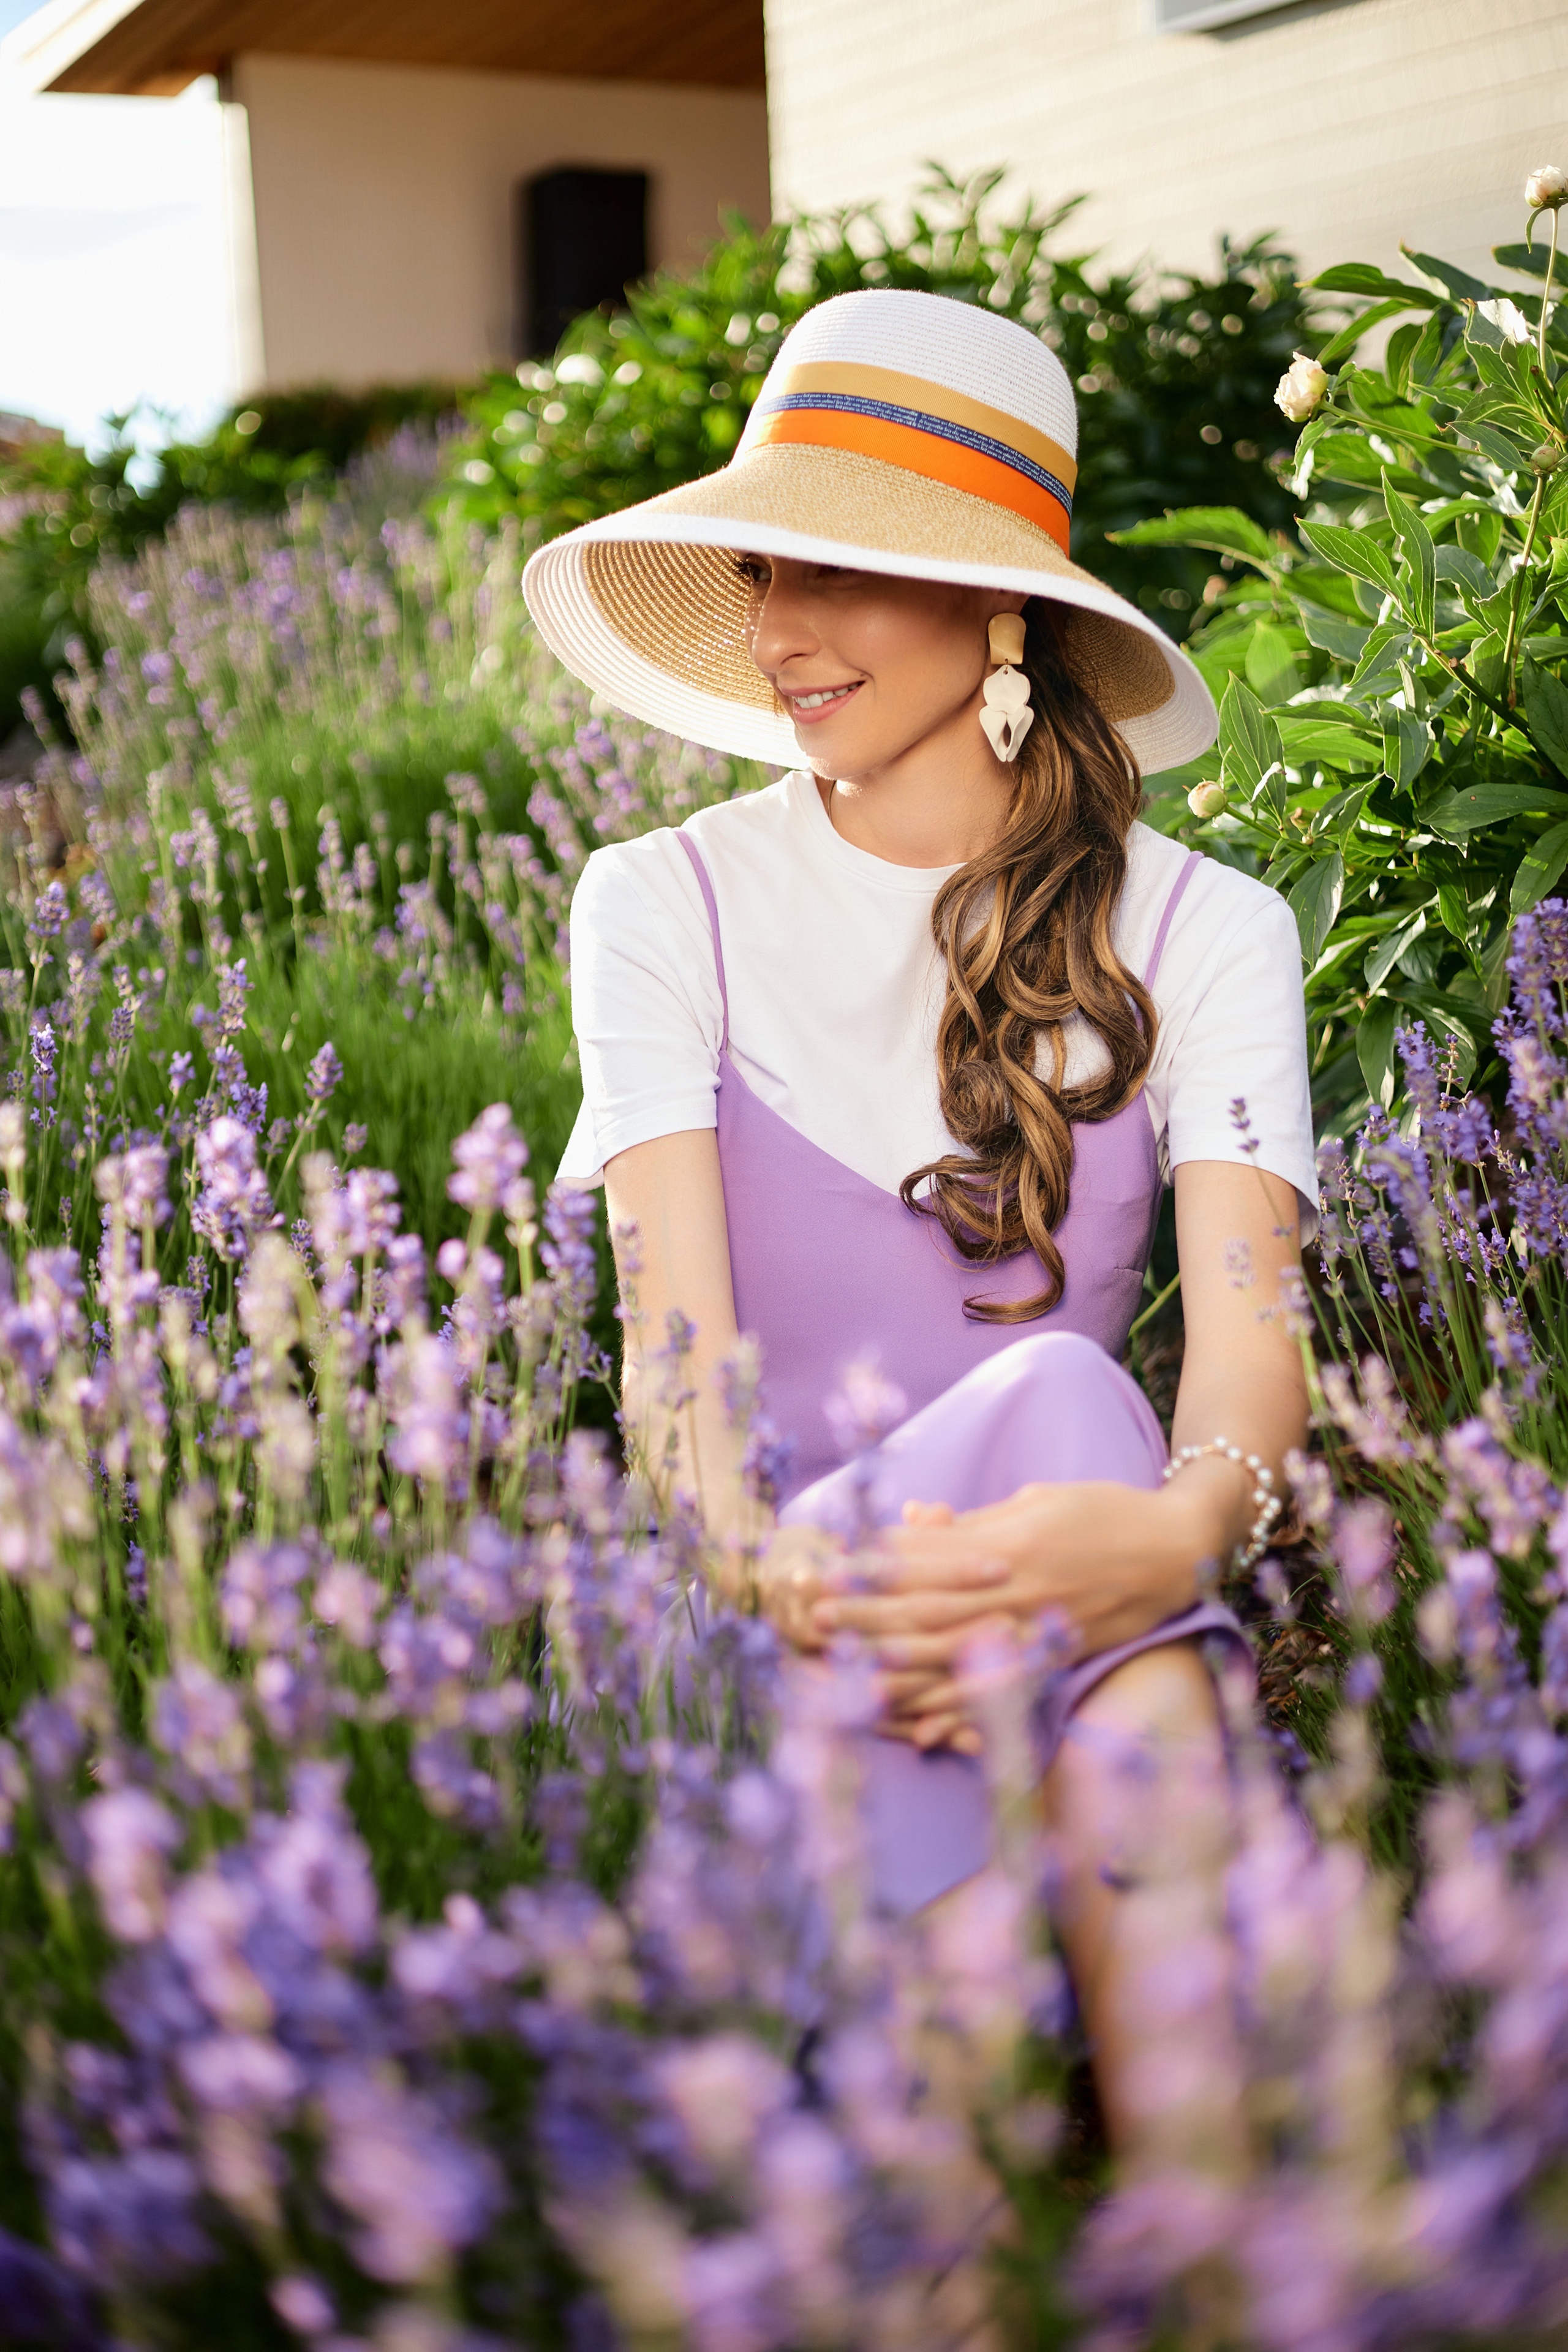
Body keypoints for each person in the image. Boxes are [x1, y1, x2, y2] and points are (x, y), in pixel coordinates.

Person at [524, 288, 1313, 2168]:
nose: (781, 631)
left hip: (1080, 1584)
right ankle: (1212, 2213)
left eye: (848, 571)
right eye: (765, 569)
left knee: (1072, 1443)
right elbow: (678, 1377)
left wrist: (1179, 1533)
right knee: (1063, 1407)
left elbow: (1246, 1344)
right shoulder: (661, 903)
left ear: (999, 609)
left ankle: (951, 2229)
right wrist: (782, 1573)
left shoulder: (1211, 929)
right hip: (771, 1616)